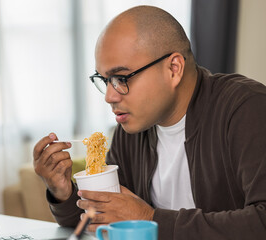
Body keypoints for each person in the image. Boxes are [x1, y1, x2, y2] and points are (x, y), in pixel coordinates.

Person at [33, 5, 266, 240]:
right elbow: (101, 218)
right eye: (104, 81)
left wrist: (151, 219)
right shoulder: (131, 129)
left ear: (173, 69)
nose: (109, 96)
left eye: (121, 78)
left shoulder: (246, 108)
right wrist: (62, 193)